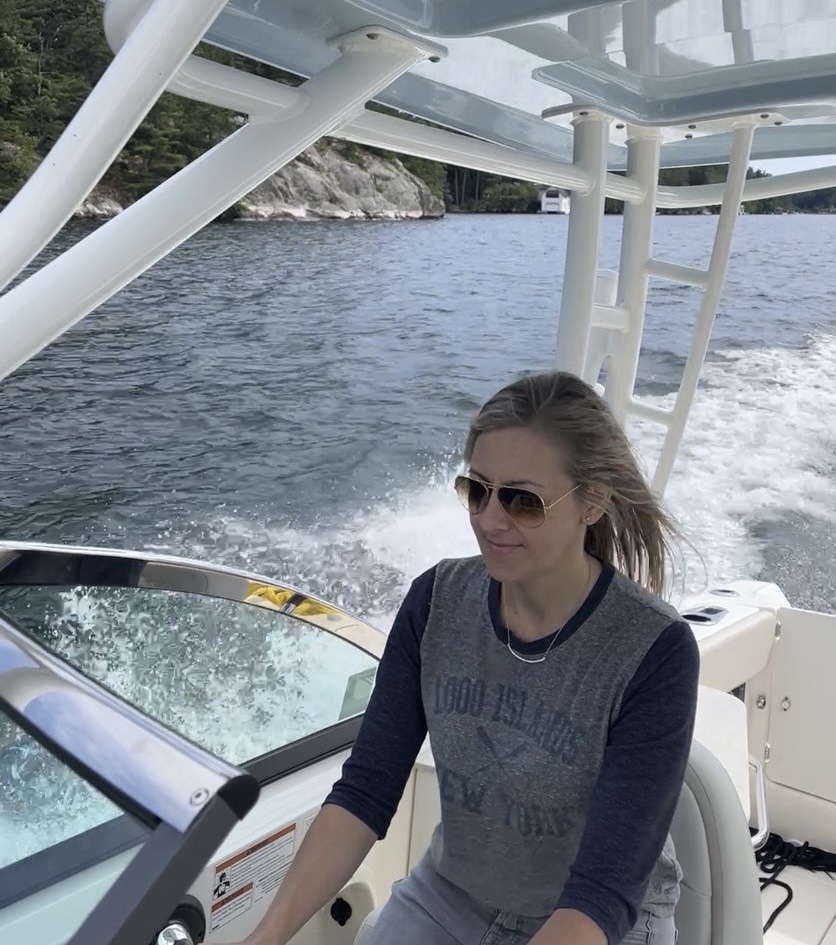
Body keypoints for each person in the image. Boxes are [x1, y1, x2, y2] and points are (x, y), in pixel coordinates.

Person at [241, 371, 699, 945]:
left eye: (523, 501)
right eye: (477, 490)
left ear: (593, 502)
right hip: (452, 894)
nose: (488, 519)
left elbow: (604, 892)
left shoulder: (653, 649)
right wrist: (267, 934)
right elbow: (365, 791)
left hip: (598, 919)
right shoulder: (435, 603)